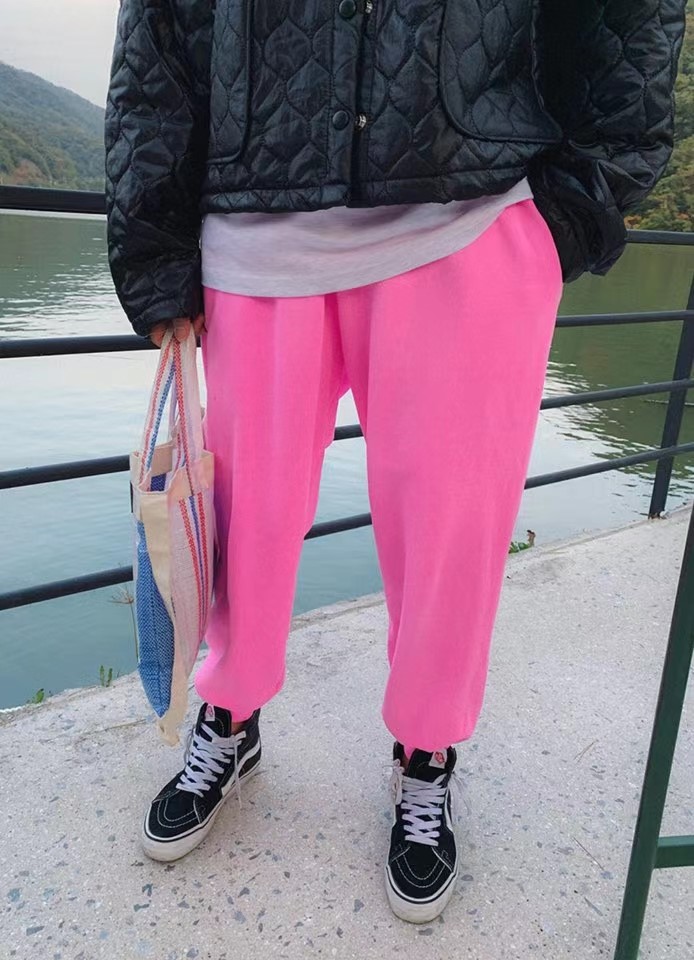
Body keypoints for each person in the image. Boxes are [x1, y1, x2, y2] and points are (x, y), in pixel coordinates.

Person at [104, 0, 686, 924]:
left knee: (452, 528)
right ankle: (229, 713)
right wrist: (154, 246)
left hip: (469, 214)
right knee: (244, 517)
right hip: (255, 225)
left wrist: (578, 205)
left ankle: (427, 750)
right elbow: (160, 34)